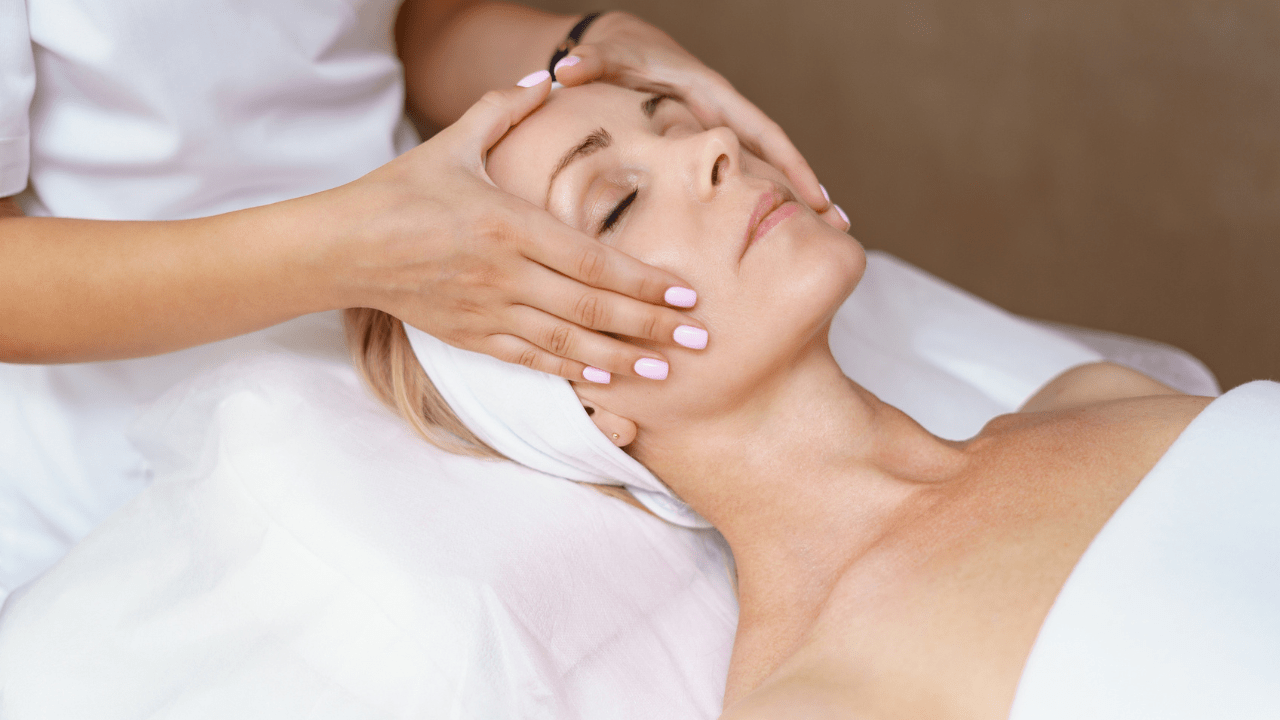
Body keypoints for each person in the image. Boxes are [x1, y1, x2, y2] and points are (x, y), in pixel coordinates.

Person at [348, 82, 1280, 718]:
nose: (716, 145)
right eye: (615, 203)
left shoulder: (1097, 395)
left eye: (674, 121)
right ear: (577, 406)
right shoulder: (819, 699)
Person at [0, 2, 846, 381]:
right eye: (614, 207)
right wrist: (351, 254)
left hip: (452, 337)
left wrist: (587, 42)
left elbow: (409, 25)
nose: (714, 151)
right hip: (126, 440)